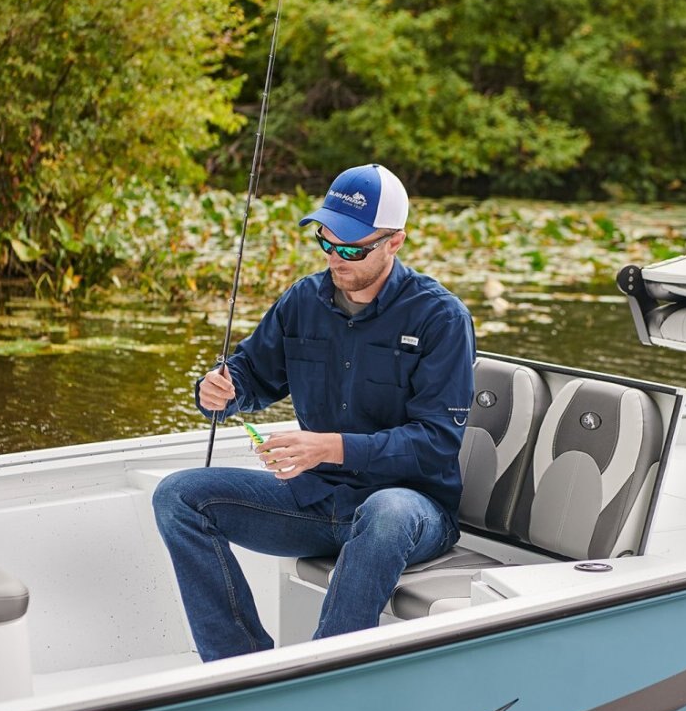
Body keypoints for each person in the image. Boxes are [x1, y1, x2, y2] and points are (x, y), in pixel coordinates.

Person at [152, 163, 476, 662]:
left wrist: (329, 447)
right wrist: (218, 390)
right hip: (315, 500)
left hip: (412, 510)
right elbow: (251, 376)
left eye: (351, 249)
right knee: (178, 496)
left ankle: (324, 672)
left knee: (386, 512)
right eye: (326, 241)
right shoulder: (303, 300)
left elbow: (435, 444)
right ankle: (239, 668)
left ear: (395, 242)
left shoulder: (441, 317)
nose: (334, 257)